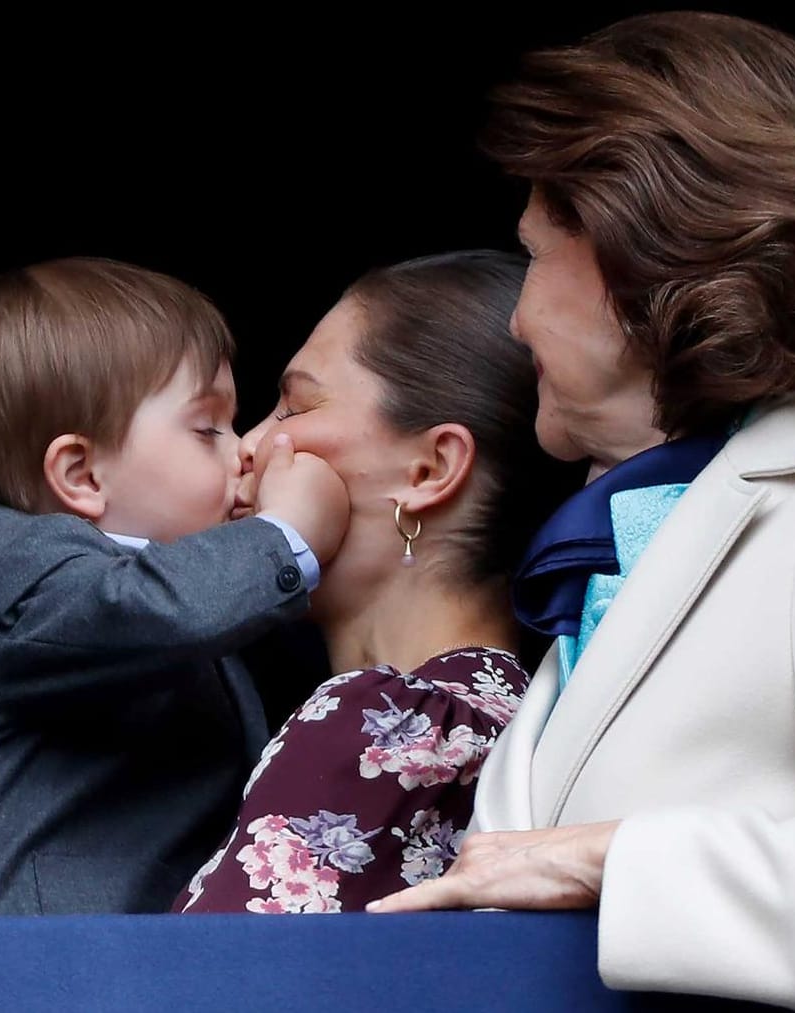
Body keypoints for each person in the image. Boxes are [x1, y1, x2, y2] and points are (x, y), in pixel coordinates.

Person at [369, 12, 795, 1011]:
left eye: (533, 260)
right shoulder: (631, 532)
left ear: (642, 255)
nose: (514, 322)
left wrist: (612, 859)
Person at [0, 256, 348, 914]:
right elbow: (160, 610)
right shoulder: (12, 569)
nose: (244, 447)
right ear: (81, 473)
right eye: (207, 427)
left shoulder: (165, 589)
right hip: (11, 973)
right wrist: (285, 533)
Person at [173, 250, 575, 914]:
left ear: (429, 471)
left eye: (293, 405)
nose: (246, 443)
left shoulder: (381, 722)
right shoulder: (531, 721)